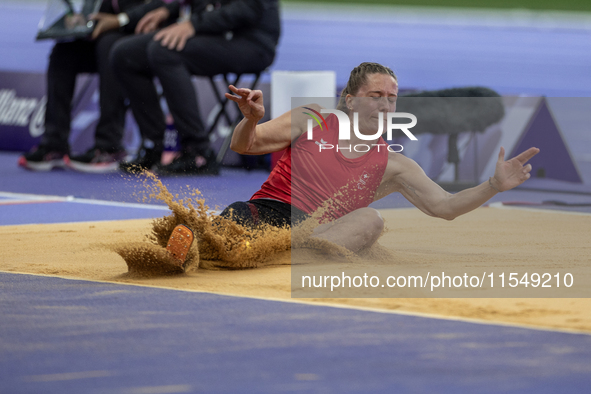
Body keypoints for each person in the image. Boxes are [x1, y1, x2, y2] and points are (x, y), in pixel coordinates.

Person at [213, 62, 539, 252]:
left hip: (318, 234)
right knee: (219, 229)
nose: (385, 105)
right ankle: (198, 249)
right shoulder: (310, 118)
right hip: (269, 212)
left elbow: (445, 207)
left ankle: (279, 255)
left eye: (392, 99)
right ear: (351, 100)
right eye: (376, 96)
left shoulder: (394, 164)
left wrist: (494, 185)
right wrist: (251, 118)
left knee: (371, 220)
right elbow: (246, 145)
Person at [111, 0, 281, 175]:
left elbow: (247, 9)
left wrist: (193, 24)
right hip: (213, 32)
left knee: (163, 51)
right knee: (125, 54)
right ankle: (157, 145)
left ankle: (198, 152)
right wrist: (168, 11)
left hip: (250, 42)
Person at [19, 0, 172, 172]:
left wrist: (120, 19)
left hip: (140, 34)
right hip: (106, 33)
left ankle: (109, 146)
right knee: (63, 52)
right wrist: (81, 20)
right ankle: (54, 144)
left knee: (110, 46)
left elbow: (165, 5)